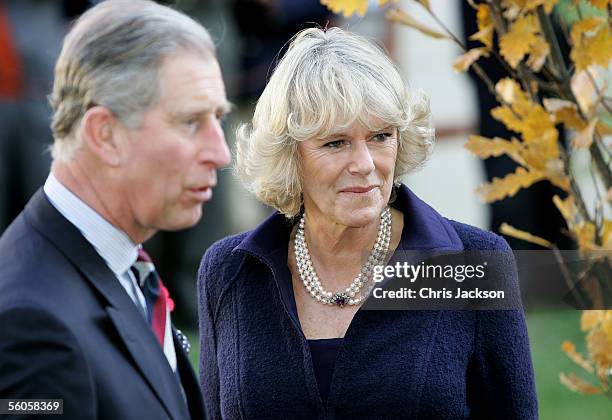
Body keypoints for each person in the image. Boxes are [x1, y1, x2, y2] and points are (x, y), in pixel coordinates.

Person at [197, 27, 537, 419]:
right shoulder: (231, 272)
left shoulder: (474, 264)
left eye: (380, 136)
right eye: (335, 143)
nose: (364, 165)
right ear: (290, 156)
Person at [0, 1, 231, 419]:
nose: (221, 153)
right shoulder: (32, 323)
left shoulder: (121, 263)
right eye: (190, 122)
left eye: (218, 118)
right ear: (105, 135)